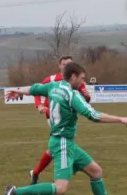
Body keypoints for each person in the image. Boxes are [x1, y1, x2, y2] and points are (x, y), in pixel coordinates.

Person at [2, 62, 127, 195]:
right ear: (73, 76)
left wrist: (18, 91)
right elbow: (94, 115)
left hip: (64, 142)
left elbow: (33, 89)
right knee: (60, 187)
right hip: (62, 143)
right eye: (82, 78)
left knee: (96, 171)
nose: (83, 82)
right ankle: (15, 192)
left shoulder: (53, 86)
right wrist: (120, 119)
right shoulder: (72, 95)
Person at [29, 56, 92, 185]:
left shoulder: (75, 81)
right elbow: (36, 91)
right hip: (54, 118)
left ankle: (36, 173)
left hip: (67, 117)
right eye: (64, 64)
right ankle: (60, 176)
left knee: (56, 149)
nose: (66, 66)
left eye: (69, 64)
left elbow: (85, 99)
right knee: (64, 145)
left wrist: (86, 94)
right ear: (59, 66)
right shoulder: (51, 80)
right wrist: (39, 105)